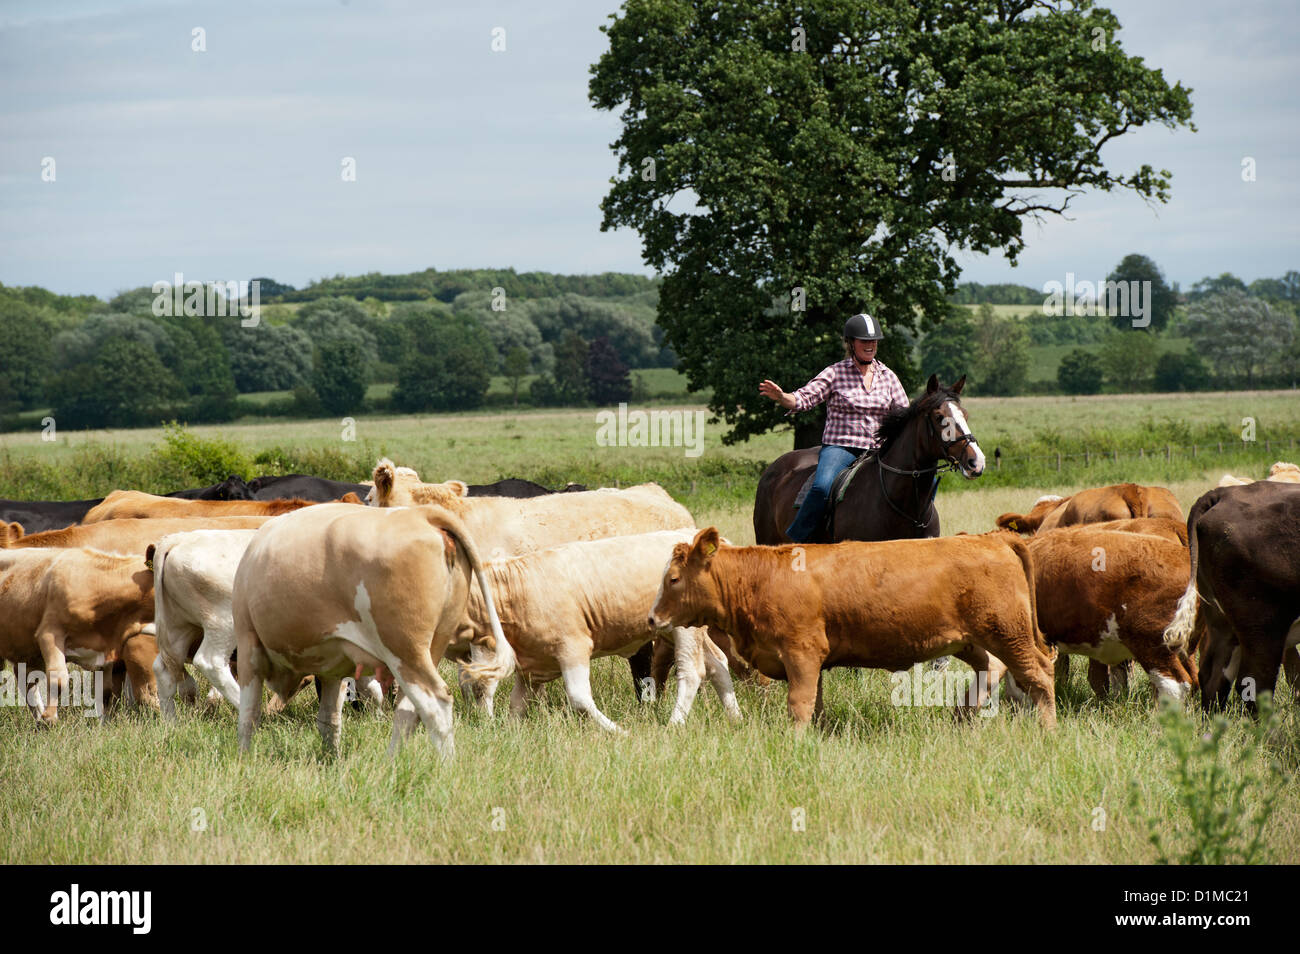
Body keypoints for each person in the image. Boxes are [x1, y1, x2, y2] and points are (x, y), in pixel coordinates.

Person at [759, 312, 910, 542]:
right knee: (821, 487)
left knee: (914, 481)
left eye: (873, 341)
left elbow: (904, 415)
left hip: (879, 450)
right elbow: (804, 398)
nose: (870, 346)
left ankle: (920, 533)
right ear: (851, 343)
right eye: (864, 341)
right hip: (842, 447)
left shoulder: (888, 376)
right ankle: (800, 538)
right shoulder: (835, 372)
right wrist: (782, 397)